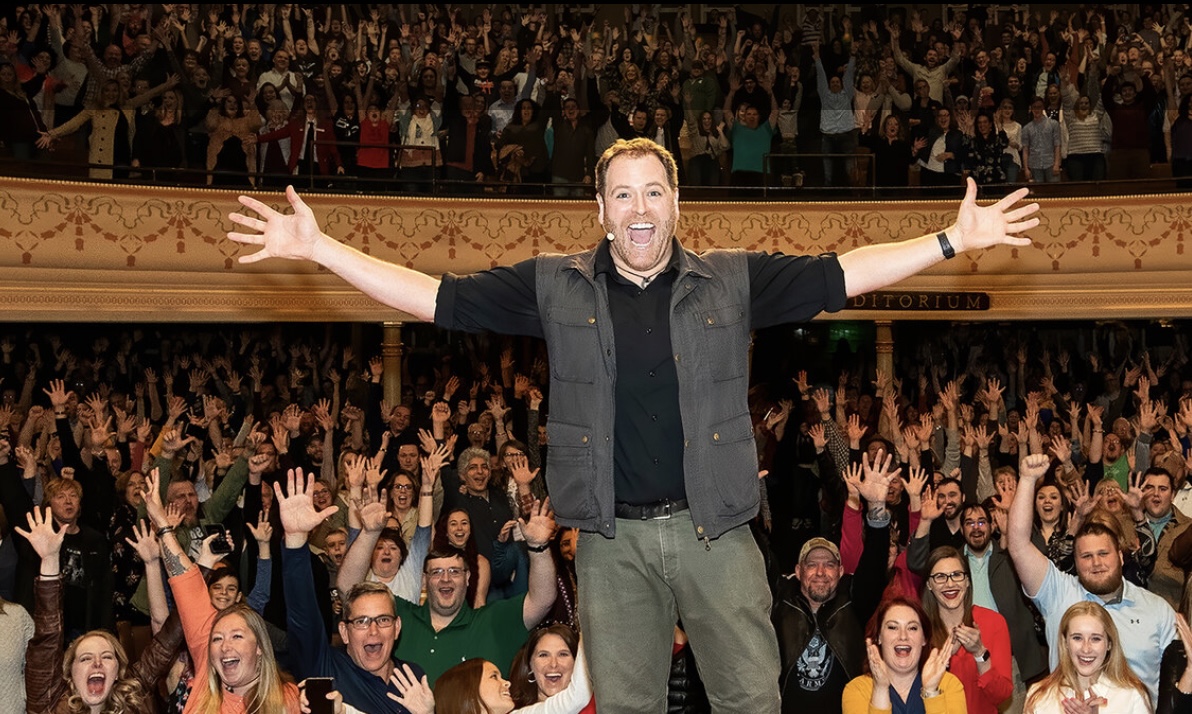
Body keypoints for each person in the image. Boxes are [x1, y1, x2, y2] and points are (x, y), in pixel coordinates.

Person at [225, 136, 1040, 713]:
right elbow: (435, 297)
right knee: (626, 705)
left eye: (654, 191)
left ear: (676, 204)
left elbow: (844, 273)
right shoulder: (556, 286)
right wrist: (323, 249)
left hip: (717, 532)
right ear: (601, 209)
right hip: (611, 542)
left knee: (751, 698)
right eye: (623, 194)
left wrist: (950, 240)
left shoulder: (730, 281)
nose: (639, 207)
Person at [1009, 452, 1176, 706]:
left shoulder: (1157, 610)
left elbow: (1177, 683)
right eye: (1086, 556)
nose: (1096, 563)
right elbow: (1019, 545)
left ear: (1121, 557)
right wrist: (1027, 480)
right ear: (1075, 562)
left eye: (1103, 554)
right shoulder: (1057, 593)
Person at [143, 468, 303, 714]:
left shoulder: (287, 699)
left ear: (260, 646)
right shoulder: (205, 673)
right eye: (217, 639)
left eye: (237, 636)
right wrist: (164, 527)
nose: (224, 646)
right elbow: (185, 582)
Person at [20, 506, 184, 714]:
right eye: (85, 658)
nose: (97, 663)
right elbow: (47, 637)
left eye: (107, 657)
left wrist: (197, 564)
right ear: (69, 673)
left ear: (117, 672)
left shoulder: (132, 700)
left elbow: (166, 643)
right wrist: (50, 560)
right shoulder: (48, 705)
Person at [772, 449, 894, 714]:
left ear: (840, 572)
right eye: (811, 564)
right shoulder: (780, 599)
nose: (820, 571)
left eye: (829, 564)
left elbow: (873, 567)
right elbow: (761, 560)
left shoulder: (852, 600)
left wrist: (876, 508)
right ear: (797, 571)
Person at [919, 545, 1014, 714]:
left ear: (968, 581)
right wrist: (945, 659)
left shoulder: (993, 622)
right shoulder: (918, 629)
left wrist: (980, 654)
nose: (950, 584)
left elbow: (1001, 695)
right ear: (929, 584)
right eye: (940, 577)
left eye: (957, 575)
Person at [841, 596, 965, 713]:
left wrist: (931, 692)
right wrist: (880, 689)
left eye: (912, 628)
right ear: (879, 637)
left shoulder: (948, 684)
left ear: (924, 638)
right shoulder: (857, 690)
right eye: (893, 627)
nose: (903, 636)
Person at [1023, 601, 1151, 714]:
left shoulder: (1132, 695)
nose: (1086, 649)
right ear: (1065, 642)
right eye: (1077, 638)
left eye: (1095, 639)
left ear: (1109, 644)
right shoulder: (1039, 695)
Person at [509, 623, 596, 713]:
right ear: (530, 664)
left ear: (577, 663)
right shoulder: (514, 710)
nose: (553, 664)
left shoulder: (597, 706)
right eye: (543, 655)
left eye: (563, 654)